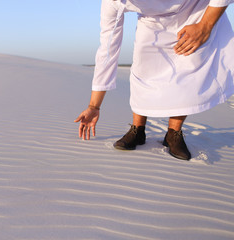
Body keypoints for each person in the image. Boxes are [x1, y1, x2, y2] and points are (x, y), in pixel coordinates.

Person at [75, 0, 234, 160]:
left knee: (189, 69)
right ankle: (137, 130)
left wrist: (205, 25)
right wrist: (93, 106)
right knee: (142, 68)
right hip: (151, 21)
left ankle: (174, 133)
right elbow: (107, 49)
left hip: (194, 11)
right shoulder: (111, 3)